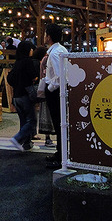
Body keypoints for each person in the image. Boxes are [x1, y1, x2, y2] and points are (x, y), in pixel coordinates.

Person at [43, 23, 68, 169]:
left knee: (59, 124)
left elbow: (59, 77)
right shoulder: (61, 49)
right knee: (60, 124)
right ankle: (60, 153)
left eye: (45, 33)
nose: (44, 36)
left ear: (49, 36)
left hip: (56, 92)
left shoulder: (54, 53)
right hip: (60, 92)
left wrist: (50, 88)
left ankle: (61, 157)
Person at [7, 41, 38, 151]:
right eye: (30, 49)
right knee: (32, 121)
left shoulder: (17, 62)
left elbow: (10, 78)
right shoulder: (27, 62)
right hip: (25, 95)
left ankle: (26, 144)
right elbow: (34, 76)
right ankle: (17, 139)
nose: (32, 51)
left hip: (16, 96)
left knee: (24, 121)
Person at [33, 46, 55, 147]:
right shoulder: (48, 58)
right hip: (51, 88)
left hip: (45, 88)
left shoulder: (44, 60)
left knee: (45, 113)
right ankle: (49, 138)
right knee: (50, 113)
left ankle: (48, 137)